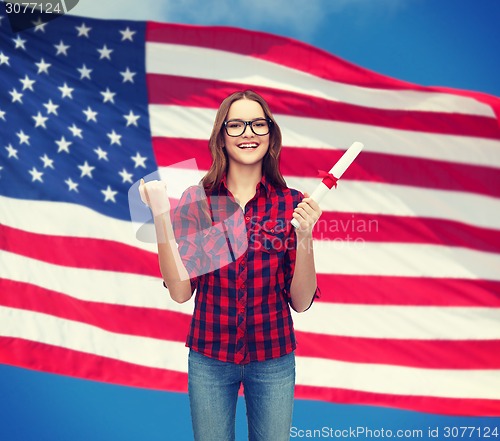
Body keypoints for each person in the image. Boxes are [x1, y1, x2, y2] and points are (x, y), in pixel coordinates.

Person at [140, 90, 322, 441]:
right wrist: (161, 215)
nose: (248, 133)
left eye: (257, 124)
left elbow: (300, 302)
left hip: (273, 358)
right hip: (210, 357)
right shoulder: (201, 200)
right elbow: (180, 292)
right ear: (221, 139)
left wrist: (305, 235)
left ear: (271, 136)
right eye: (235, 125)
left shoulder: (292, 203)